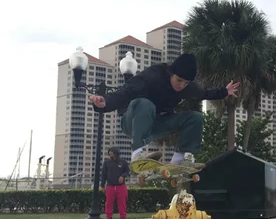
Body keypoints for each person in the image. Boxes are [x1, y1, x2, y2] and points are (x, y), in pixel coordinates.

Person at [88, 53, 239, 165]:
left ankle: (178, 160)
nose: (181, 86)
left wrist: (224, 91)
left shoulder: (187, 87)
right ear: (171, 73)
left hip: (158, 123)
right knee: (145, 104)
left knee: (195, 117)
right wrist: (105, 102)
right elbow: (125, 92)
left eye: (186, 83)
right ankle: (137, 154)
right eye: (179, 80)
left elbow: (205, 93)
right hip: (132, 121)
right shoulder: (152, 76)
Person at [101, 147, 130, 219]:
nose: (110, 154)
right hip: (110, 185)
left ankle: (123, 217)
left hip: (121, 186)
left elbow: (127, 171)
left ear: (116, 153)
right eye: (109, 153)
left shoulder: (123, 162)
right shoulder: (106, 163)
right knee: (109, 202)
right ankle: (109, 217)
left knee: (122, 202)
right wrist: (102, 185)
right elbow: (103, 174)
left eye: (112, 152)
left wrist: (123, 176)